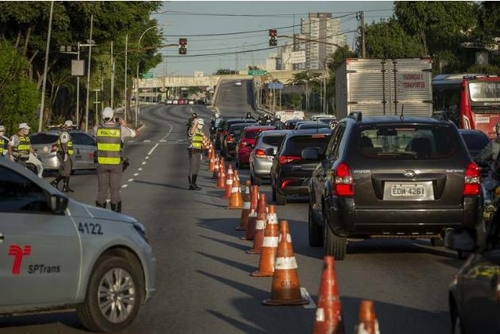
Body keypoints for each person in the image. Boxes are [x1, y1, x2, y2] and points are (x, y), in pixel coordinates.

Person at [94, 107, 137, 213]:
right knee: (115, 190)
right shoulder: (120, 129)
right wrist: (124, 124)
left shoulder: (97, 129)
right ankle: (116, 216)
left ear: (103, 117)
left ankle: (101, 215)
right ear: (113, 116)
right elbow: (136, 133)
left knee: (102, 191)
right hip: (116, 164)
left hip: (102, 163)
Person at [50, 121, 74, 192]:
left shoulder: (65, 132)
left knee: (68, 169)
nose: (71, 128)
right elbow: (63, 144)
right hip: (63, 153)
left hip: (64, 153)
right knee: (67, 169)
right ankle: (55, 182)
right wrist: (66, 153)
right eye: (71, 126)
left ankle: (65, 186)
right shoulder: (65, 133)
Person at [187, 117, 208, 190]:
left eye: (202, 125)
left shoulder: (200, 132)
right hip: (192, 150)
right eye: (200, 124)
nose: (201, 126)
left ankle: (194, 183)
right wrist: (195, 124)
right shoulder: (192, 129)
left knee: (197, 167)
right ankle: (191, 184)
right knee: (193, 166)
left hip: (198, 150)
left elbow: (201, 142)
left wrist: (202, 152)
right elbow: (191, 133)